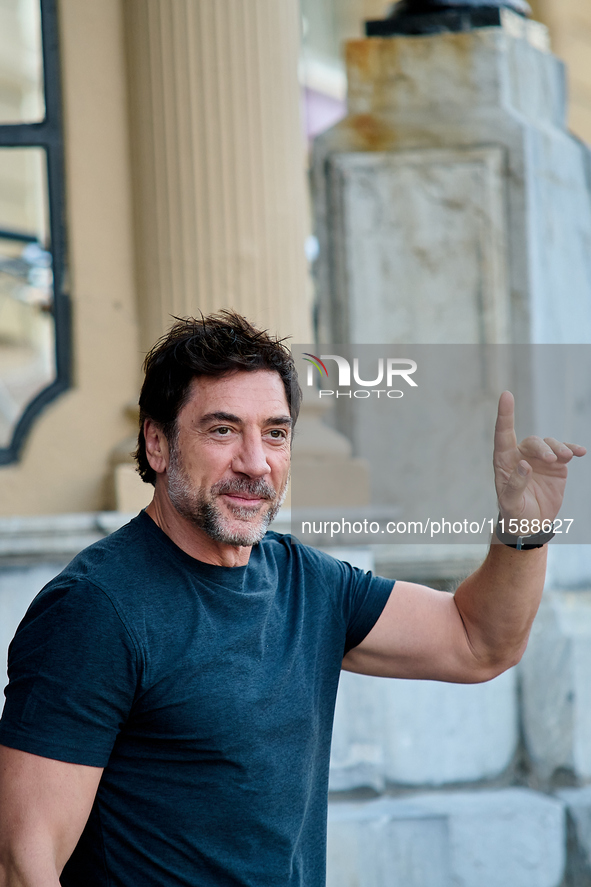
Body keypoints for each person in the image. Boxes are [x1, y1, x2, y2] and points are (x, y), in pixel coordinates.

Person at [0, 311, 585, 887]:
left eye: (275, 433)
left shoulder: (307, 582)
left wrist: (522, 531)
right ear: (157, 443)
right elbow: (25, 866)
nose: (256, 463)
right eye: (222, 430)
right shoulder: (94, 610)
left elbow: (477, 642)